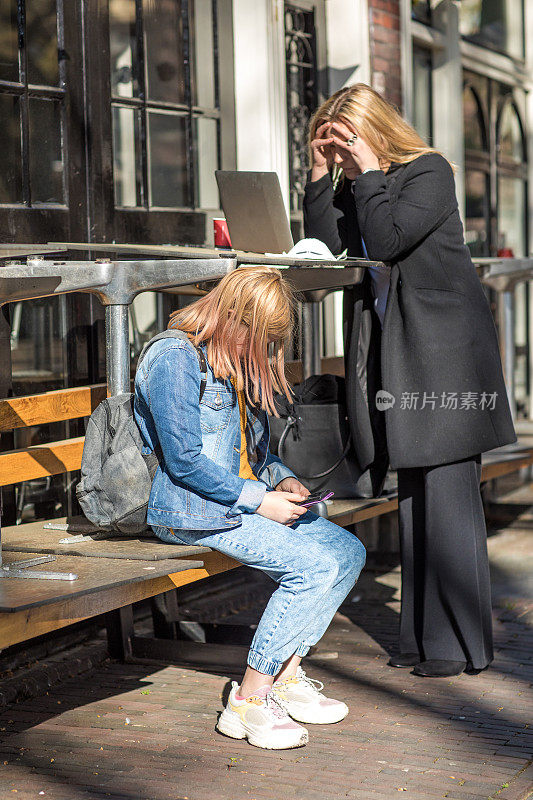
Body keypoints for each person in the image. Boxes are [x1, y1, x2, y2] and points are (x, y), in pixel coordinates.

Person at [303, 83, 517, 679]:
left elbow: (391, 239)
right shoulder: (355, 184)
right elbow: (327, 254)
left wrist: (368, 168)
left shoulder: (429, 172)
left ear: (372, 129)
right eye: (334, 146)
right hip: (397, 353)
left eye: (347, 142)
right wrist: (322, 175)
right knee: (415, 496)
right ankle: (426, 641)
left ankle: (456, 647)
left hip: (444, 356)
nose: (344, 155)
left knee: (446, 494)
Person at [133, 265, 366, 749]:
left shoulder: (230, 362)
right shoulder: (174, 357)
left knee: (345, 553)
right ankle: (249, 701)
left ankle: (285, 676)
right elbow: (184, 462)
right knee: (311, 568)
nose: (260, 351)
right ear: (232, 316)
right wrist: (261, 502)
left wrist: (283, 479)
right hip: (191, 512)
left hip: (240, 505)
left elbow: (252, 455)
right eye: (258, 338)